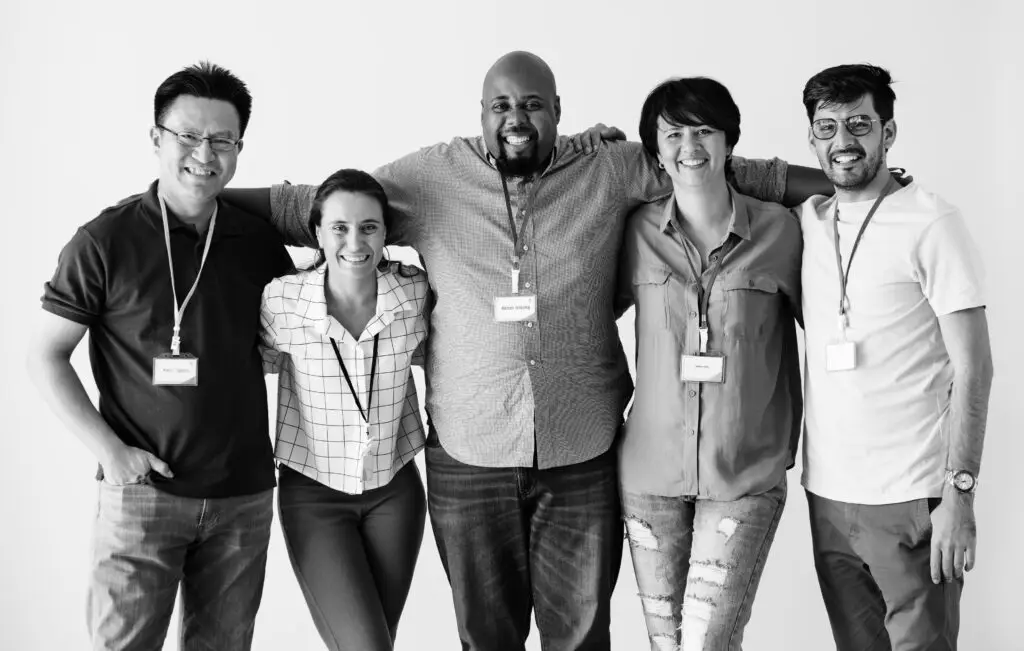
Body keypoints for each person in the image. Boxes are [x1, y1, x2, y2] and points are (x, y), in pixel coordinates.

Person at [226, 50, 825, 651]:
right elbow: (318, 206)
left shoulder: (609, 169)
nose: (517, 118)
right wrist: (200, 201)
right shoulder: (430, 179)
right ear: (481, 113)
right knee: (487, 637)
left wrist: (846, 182)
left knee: (582, 635)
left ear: (560, 111)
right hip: (469, 455)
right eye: (502, 105)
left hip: (582, 452)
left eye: (534, 105)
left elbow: (716, 166)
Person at [26, 62, 292, 650]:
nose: (206, 153)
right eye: (189, 136)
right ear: (156, 139)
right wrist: (112, 454)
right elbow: (45, 355)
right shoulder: (104, 241)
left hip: (243, 495)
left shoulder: (258, 242)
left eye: (223, 140)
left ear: (239, 148)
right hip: (145, 494)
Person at [798, 64, 993, 650]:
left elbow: (975, 367)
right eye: (826, 127)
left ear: (889, 132)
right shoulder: (809, 220)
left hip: (914, 496)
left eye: (859, 124)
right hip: (828, 496)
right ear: (811, 138)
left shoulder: (932, 222)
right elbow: (718, 169)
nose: (843, 142)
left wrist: (959, 494)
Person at [617, 77, 802, 651]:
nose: (689, 146)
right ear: (655, 148)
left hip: (744, 474)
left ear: (729, 142)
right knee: (665, 644)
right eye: (673, 133)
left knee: (706, 643)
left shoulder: (783, 231)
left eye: (704, 130)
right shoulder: (634, 231)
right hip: (649, 475)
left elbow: (831, 333)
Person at [260, 169, 429, 651]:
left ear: (385, 232)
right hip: (314, 496)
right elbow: (252, 368)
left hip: (394, 493)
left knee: (374, 642)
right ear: (316, 232)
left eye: (369, 227)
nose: (355, 241)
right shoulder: (282, 301)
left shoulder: (414, 295)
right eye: (339, 227)